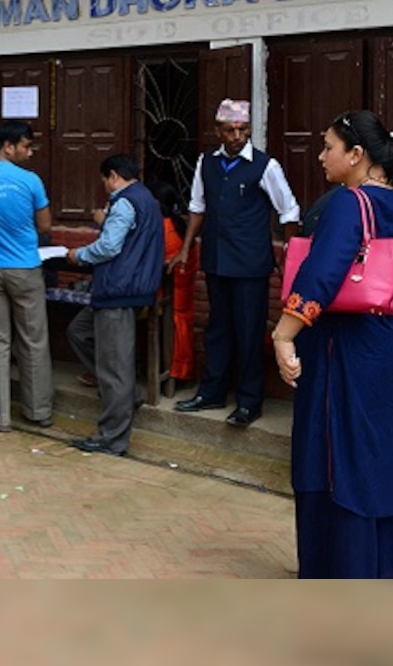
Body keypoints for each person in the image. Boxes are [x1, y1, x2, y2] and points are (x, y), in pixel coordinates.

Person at [272, 110, 393, 579]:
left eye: (328, 147)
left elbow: (322, 273)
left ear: (357, 155)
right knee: (378, 462)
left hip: (343, 348)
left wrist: (284, 335)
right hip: (385, 346)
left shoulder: (349, 202)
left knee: (333, 462)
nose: (321, 157)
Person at [171, 98, 300, 427]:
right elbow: (197, 207)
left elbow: (289, 210)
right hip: (216, 260)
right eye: (230, 130)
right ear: (218, 131)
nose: (237, 135)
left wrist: (289, 251)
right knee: (217, 330)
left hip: (251, 265)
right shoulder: (207, 163)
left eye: (243, 129)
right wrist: (187, 248)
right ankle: (212, 391)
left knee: (248, 332)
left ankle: (248, 401)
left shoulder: (264, 165)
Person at [63, 155, 164, 456]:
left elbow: (109, 246)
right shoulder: (146, 198)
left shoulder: (125, 202)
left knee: (115, 368)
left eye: (105, 180)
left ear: (114, 176)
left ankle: (112, 438)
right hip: (121, 288)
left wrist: (77, 255)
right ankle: (126, 394)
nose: (105, 187)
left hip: (118, 290)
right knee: (78, 332)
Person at [0, 120, 54, 432]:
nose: (29, 153)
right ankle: (38, 411)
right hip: (25, 269)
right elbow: (45, 226)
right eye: (26, 146)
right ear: (8, 145)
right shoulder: (30, 181)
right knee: (33, 341)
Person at [147, 178, 198, 384]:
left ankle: (173, 371)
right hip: (184, 289)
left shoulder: (162, 227)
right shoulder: (180, 224)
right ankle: (181, 370)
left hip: (167, 293)